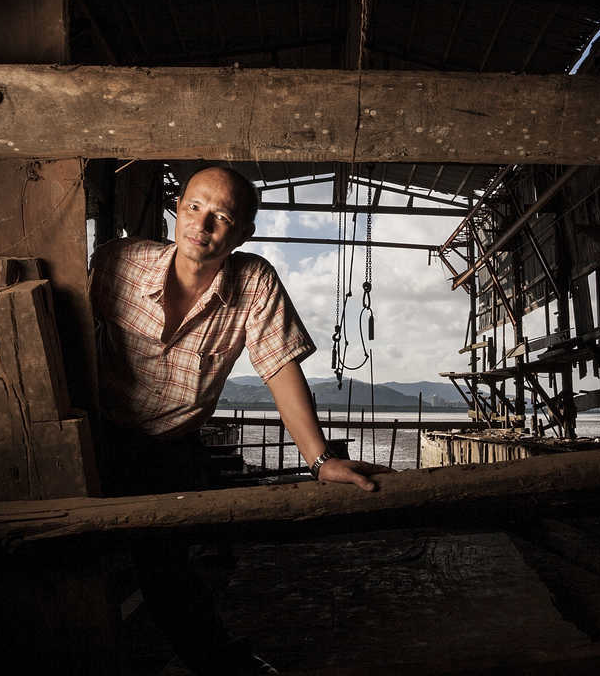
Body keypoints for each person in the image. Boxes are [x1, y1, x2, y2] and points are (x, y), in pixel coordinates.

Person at [89, 164, 390, 674]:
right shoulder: (117, 264)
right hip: (98, 437)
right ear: (177, 209)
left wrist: (320, 461)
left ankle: (214, 662)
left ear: (243, 233)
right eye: (194, 208)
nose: (201, 225)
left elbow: (280, 371)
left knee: (172, 569)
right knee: (81, 558)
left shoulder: (254, 282)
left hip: (172, 445)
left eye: (221, 217)